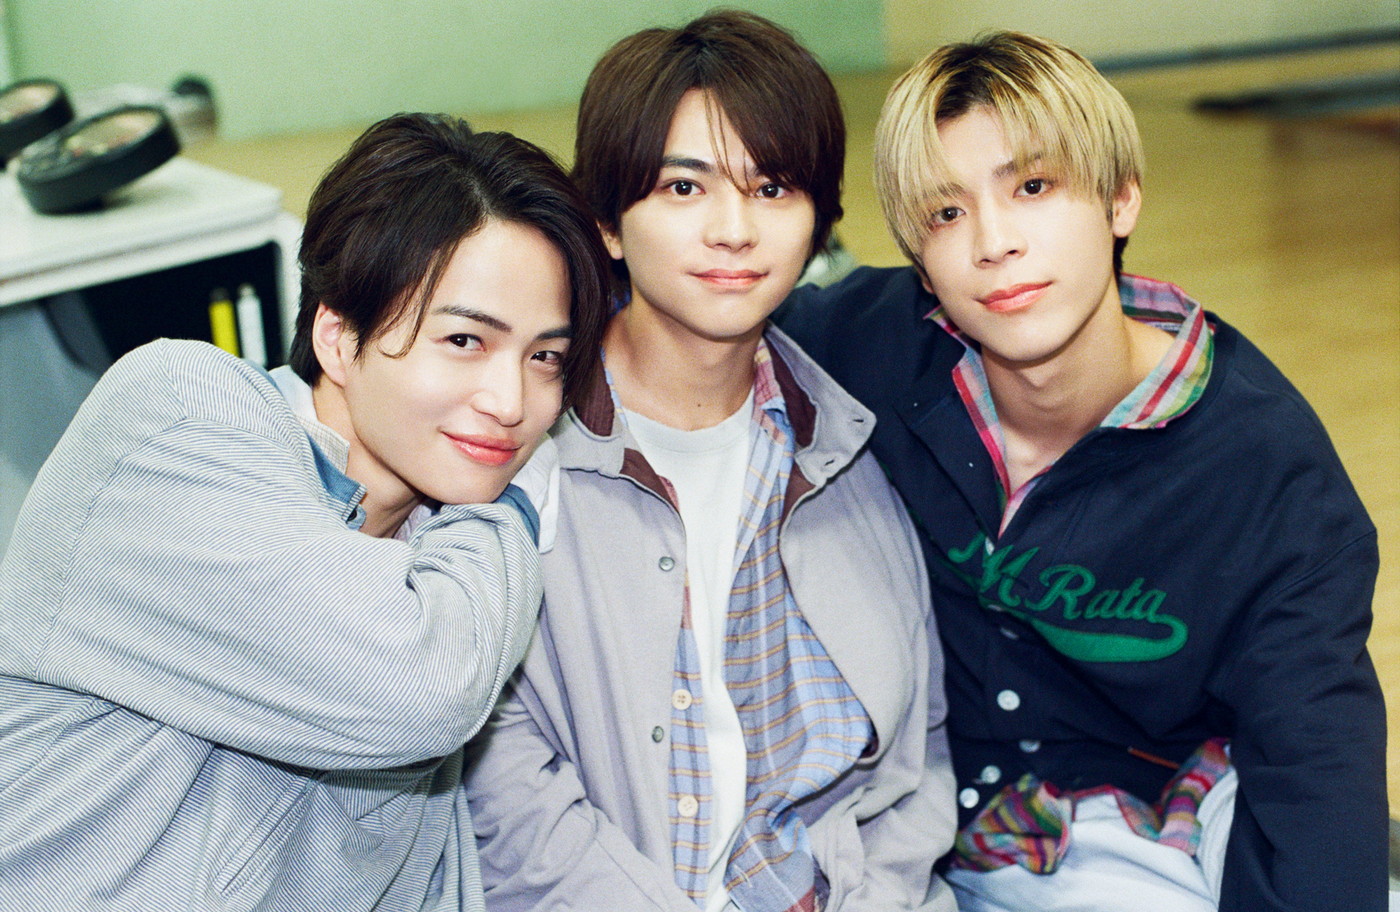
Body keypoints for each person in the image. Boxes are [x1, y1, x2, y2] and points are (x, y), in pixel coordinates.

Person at [776, 30, 1386, 912]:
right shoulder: (870, 348)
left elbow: (1316, 757)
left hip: (1166, 820)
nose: (994, 242)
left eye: (1032, 187)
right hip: (935, 832)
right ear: (921, 262)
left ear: (1120, 198)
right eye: (946, 213)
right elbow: (684, 320)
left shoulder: (1266, 470)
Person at [0, 112, 611, 911]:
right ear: (338, 337)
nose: (512, 402)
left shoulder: (443, 572)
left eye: (546, 357)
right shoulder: (177, 418)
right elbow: (421, 689)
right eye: (465, 341)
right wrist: (518, 503)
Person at [463, 11, 957, 912]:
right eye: (684, 187)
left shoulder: (844, 450)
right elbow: (506, 796)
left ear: (818, 223)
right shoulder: (511, 450)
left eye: (772, 188)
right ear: (608, 222)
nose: (734, 230)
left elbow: (914, 760)